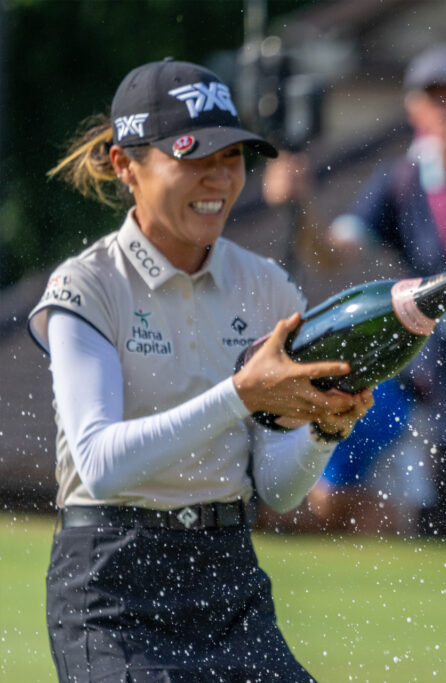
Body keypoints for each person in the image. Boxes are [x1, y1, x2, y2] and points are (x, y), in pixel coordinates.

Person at [29, 58, 375, 681]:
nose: (217, 178)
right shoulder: (86, 286)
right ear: (123, 164)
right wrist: (242, 393)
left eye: (231, 157)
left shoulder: (267, 287)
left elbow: (277, 486)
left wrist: (324, 429)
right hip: (111, 587)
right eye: (192, 157)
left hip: (227, 574)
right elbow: (102, 467)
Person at [264, 45, 446, 542]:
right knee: (442, 538)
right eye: (432, 98)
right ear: (413, 109)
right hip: (435, 385)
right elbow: (332, 253)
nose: (445, 109)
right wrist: (302, 201)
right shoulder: (400, 181)